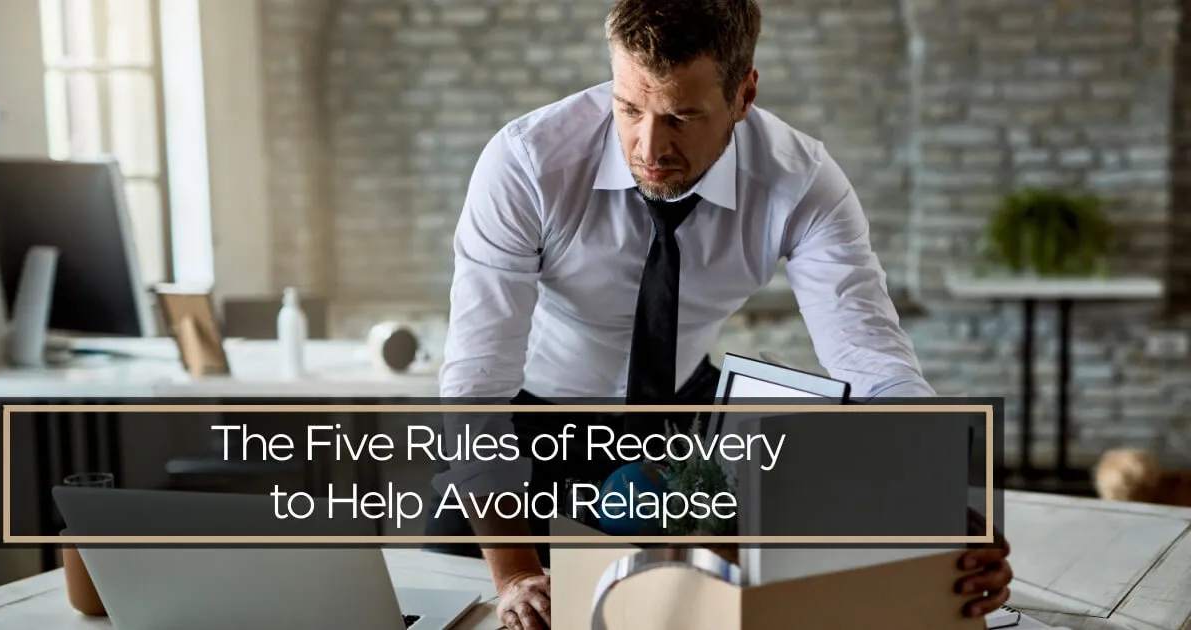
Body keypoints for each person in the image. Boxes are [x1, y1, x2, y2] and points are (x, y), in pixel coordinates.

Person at [429, 1, 1013, 628]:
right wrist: (516, 571)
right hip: (527, 419)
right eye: (628, 108)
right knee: (465, 593)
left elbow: (872, 360)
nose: (649, 146)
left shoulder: (801, 182)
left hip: (680, 420)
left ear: (743, 94)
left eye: (682, 116)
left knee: (710, 609)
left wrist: (939, 507)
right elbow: (478, 381)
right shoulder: (526, 163)